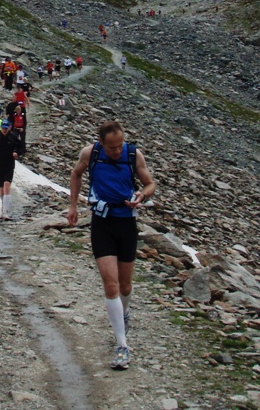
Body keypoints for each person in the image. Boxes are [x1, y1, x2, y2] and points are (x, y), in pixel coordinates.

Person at [66, 121, 156, 371]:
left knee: (126, 285)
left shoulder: (132, 154)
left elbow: (150, 183)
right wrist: (73, 206)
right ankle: (122, 345)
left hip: (126, 223)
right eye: (112, 148)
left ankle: (124, 315)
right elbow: (76, 174)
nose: (117, 151)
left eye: (120, 146)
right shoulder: (91, 153)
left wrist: (142, 196)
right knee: (111, 283)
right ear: (101, 143)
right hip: (102, 223)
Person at [0, 119, 23, 219]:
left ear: (9, 127)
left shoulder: (13, 138)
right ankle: (3, 207)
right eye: (3, 128)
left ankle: (5, 212)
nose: (4, 130)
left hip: (9, 164)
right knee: (1, 191)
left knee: (7, 185)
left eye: (6, 128)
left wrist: (17, 153)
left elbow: (22, 147)